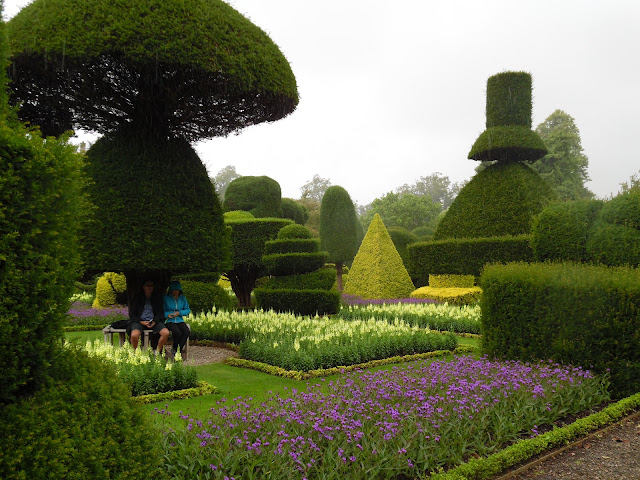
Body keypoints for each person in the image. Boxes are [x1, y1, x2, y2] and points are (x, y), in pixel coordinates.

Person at [128, 279, 170, 355]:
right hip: (140, 321)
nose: (150, 287)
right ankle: (135, 353)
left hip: (153, 321)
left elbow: (160, 313)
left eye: (151, 286)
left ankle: (157, 352)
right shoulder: (137, 298)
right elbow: (132, 314)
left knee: (166, 333)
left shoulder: (157, 297)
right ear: (143, 287)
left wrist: (155, 321)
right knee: (134, 335)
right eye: (148, 286)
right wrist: (141, 322)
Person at [164, 280, 191, 358]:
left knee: (186, 332)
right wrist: (167, 315)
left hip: (179, 320)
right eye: (174, 290)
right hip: (169, 321)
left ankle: (176, 350)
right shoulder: (166, 298)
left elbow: (187, 310)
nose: (175, 292)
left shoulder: (183, 298)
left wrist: (179, 313)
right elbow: (162, 311)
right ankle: (175, 350)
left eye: (177, 290)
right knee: (177, 332)